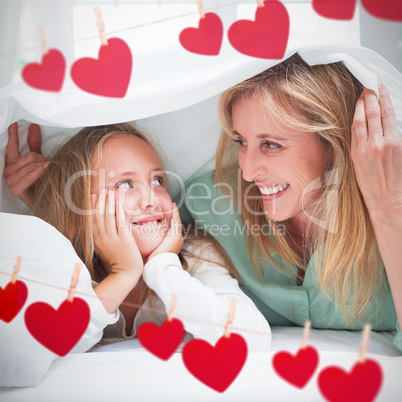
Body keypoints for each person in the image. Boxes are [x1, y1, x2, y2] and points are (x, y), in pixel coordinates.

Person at [183, 53, 402, 352]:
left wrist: (388, 208)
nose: (248, 171)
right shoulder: (210, 201)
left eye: (271, 144)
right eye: (241, 142)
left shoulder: (394, 207)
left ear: (335, 142)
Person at [3, 122, 270, 350]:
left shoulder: (195, 254)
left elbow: (252, 337)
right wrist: (123, 274)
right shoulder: (66, 265)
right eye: (126, 184)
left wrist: (162, 267)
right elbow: (36, 348)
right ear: (79, 207)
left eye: (158, 181)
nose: (151, 198)